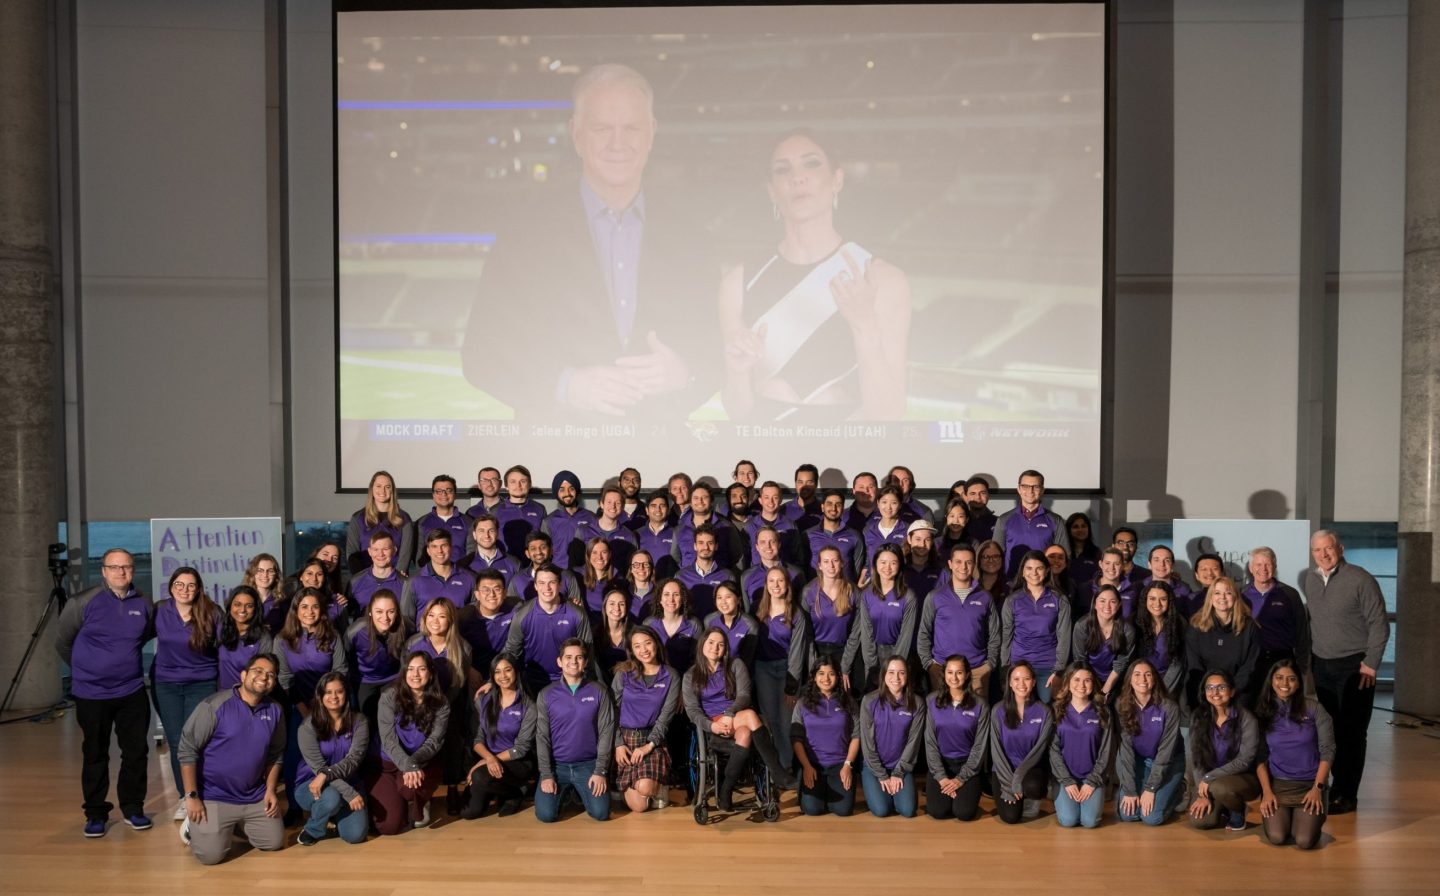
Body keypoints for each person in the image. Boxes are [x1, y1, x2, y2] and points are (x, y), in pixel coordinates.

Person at [461, 63, 716, 419]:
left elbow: (716, 353)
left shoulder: (692, 237)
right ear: (576, 134)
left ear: (651, 134)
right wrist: (565, 386)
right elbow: (480, 355)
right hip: (555, 460)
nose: (618, 143)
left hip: (658, 462)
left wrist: (685, 374)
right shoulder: (525, 232)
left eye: (631, 128)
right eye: (601, 128)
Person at [719, 128, 910, 421]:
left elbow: (889, 416)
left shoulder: (882, 280)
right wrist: (737, 372)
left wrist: (864, 324)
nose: (797, 177)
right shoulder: (738, 283)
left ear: (837, 180)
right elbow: (737, 413)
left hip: (846, 460)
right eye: (782, 170)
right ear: (771, 191)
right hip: (767, 457)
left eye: (811, 164)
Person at [54, 548, 157, 837]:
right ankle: (96, 813)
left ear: (133, 570)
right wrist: (88, 669)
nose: (121, 572)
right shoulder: (82, 602)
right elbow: (63, 642)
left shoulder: (145, 603)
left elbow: (143, 636)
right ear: (103, 571)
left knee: (136, 751)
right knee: (95, 753)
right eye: (114, 567)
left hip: (132, 690)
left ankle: (133, 808)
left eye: (126, 567)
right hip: (91, 694)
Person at [1299, 529, 1388, 816]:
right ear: (1312, 553)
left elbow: (1379, 624)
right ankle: (1335, 787)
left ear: (1340, 548)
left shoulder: (1361, 579)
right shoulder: (1310, 580)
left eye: (1328, 549)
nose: (1323, 555)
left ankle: (1348, 794)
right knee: (1329, 731)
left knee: (1352, 733)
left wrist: (1371, 663)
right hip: (1323, 666)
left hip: (1356, 667)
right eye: (1317, 550)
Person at [176, 653, 285, 864]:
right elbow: (187, 749)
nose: (264, 677)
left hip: (253, 795)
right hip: (214, 795)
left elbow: (275, 754)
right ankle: (193, 826)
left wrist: (271, 790)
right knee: (210, 857)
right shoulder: (214, 705)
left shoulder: (275, 711)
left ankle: (232, 825)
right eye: (258, 671)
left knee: (273, 842)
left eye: (271, 675)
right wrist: (191, 796)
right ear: (243, 675)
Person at [682, 627, 794, 810]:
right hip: (714, 725)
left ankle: (726, 789)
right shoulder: (690, 676)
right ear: (702, 644)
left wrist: (730, 713)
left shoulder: (736, 665)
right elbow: (693, 711)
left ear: (726, 648)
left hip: (735, 716)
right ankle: (777, 771)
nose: (715, 648)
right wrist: (712, 726)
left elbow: (744, 696)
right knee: (750, 717)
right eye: (711, 642)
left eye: (721, 644)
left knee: (745, 732)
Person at [150, 566, 222, 821]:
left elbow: (225, 648)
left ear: (198, 588)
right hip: (166, 685)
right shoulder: (159, 611)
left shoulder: (212, 612)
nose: (185, 590)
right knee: (176, 741)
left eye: (190, 585)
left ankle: (204, 792)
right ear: (171, 587)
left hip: (201, 684)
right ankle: (186, 795)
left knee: (197, 741)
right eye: (179, 585)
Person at [275, 588, 349, 825]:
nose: (309, 612)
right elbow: (285, 679)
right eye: (304, 607)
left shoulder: (333, 636)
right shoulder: (282, 640)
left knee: (335, 751)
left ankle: (336, 803)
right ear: (295, 610)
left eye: (315, 606)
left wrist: (327, 707)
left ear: (323, 610)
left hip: (331, 703)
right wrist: (306, 711)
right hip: (298, 705)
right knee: (294, 756)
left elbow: (341, 672)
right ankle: (296, 807)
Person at [1255, 659, 1335, 849]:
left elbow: (1328, 750)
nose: (1284, 684)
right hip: (1278, 786)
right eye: (1279, 678)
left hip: (1310, 785)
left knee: (1304, 841)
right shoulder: (1262, 712)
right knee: (1277, 837)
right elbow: (1259, 757)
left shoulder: (1315, 709)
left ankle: (1309, 817)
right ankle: (1289, 818)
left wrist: (1318, 788)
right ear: (1271, 680)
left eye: (1291, 679)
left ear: (1299, 683)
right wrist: (1266, 792)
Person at [535, 639, 617, 822]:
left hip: (589, 765)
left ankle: (579, 792)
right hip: (558, 766)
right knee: (545, 815)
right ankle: (568, 793)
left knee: (601, 814)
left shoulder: (599, 691)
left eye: (579, 657)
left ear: (586, 662)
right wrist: (546, 774)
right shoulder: (546, 694)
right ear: (559, 661)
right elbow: (542, 737)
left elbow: (606, 732)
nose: (574, 662)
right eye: (568, 657)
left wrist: (600, 771)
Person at [372, 652, 451, 833]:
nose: (415, 675)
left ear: (430, 673)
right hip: (388, 763)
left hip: (421, 762)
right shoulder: (389, 697)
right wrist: (408, 765)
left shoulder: (441, 702)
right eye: (410, 669)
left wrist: (413, 764)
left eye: (421, 669)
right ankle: (398, 799)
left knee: (409, 789)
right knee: (390, 827)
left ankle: (420, 800)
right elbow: (388, 740)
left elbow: (434, 742)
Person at [293, 672, 369, 846]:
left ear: (346, 694)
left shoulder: (360, 722)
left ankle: (334, 815)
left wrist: (327, 775)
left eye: (339, 691)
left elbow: (353, 760)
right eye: (328, 692)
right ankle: (313, 829)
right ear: (320, 696)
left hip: (349, 782)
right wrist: (348, 793)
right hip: (311, 785)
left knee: (355, 835)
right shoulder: (307, 726)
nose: (333, 697)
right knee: (332, 798)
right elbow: (317, 768)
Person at [610, 627, 680, 813]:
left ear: (656, 643)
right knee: (639, 806)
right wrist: (617, 744)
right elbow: (612, 711)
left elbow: (666, 716)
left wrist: (648, 745)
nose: (644, 650)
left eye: (648, 643)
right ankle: (633, 787)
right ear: (632, 651)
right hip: (625, 740)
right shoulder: (623, 673)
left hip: (652, 740)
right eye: (637, 646)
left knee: (644, 790)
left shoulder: (671, 675)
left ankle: (653, 787)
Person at [918, 544, 999, 698]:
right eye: (958, 562)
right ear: (950, 564)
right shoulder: (935, 596)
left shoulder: (985, 597)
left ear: (974, 565)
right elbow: (924, 633)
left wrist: (989, 666)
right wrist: (929, 664)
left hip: (976, 671)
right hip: (943, 670)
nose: (963, 566)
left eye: (968, 562)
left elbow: (994, 635)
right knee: (942, 717)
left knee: (975, 718)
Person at [463, 653, 537, 819]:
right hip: (489, 761)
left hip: (517, 762)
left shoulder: (529, 706)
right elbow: (477, 740)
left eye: (507, 670)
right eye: (497, 672)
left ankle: (514, 793)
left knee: (480, 776)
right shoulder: (483, 701)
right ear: (492, 676)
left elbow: (521, 748)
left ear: (516, 672)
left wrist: (486, 761)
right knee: (468, 812)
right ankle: (495, 790)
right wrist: (488, 758)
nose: (503, 676)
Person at [754, 567, 811, 777]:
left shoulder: (797, 614)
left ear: (787, 585)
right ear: (766, 585)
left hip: (787, 671)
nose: (776, 585)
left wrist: (792, 685)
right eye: (772, 581)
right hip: (763, 670)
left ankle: (789, 767)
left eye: (780, 581)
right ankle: (776, 768)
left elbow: (797, 653)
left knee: (787, 721)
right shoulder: (757, 611)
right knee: (772, 720)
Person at [1186, 669, 1260, 831]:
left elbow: (1244, 760)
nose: (1215, 692)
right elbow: (1196, 758)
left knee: (1220, 788)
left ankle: (1237, 809)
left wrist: (1209, 777)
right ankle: (1224, 804)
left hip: (1242, 778)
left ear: (1232, 691)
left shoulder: (1247, 718)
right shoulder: (1198, 716)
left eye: (1221, 687)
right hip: (1211, 781)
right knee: (1201, 822)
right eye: (1210, 688)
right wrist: (1201, 794)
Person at [1114, 659, 1185, 826]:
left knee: (1152, 818)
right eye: (1137, 675)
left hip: (1167, 763)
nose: (1143, 680)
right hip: (1137, 760)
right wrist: (1131, 791)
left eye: (1148, 675)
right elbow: (1126, 750)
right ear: (1130, 680)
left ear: (1155, 679)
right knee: (1128, 815)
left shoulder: (1169, 707)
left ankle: (1178, 790)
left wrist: (1151, 789)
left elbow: (1166, 753)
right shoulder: (1121, 705)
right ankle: (1129, 790)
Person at [505, 565, 594, 695]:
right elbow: (511, 651)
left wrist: (588, 682)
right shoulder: (522, 616)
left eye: (552, 582)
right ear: (535, 585)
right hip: (533, 681)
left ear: (560, 584)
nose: (546, 588)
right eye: (541, 583)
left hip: (569, 680)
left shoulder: (577, 614)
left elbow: (588, 650)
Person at [923, 655, 990, 821]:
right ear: (944, 674)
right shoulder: (931, 701)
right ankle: (949, 794)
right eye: (950, 672)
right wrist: (941, 777)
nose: (954, 677)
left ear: (967, 674)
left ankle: (963, 795)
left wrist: (961, 779)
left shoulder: (980, 704)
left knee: (964, 813)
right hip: (941, 764)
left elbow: (979, 746)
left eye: (959, 672)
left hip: (967, 766)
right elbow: (930, 743)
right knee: (938, 812)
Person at [857, 656, 925, 818]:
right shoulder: (869, 701)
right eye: (891, 672)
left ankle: (894, 793)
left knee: (908, 811)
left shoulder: (917, 703)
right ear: (883, 675)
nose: (896, 678)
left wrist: (898, 773)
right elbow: (868, 744)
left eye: (901, 673)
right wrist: (881, 775)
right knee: (882, 810)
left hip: (900, 765)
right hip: (873, 766)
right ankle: (880, 791)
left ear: (907, 676)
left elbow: (913, 743)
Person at [791, 658, 860, 817]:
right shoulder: (802, 703)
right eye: (821, 673)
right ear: (814, 677)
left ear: (838, 677)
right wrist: (807, 766)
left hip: (840, 765)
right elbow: (796, 739)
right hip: (813, 765)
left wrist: (848, 765)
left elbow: (857, 735)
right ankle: (812, 787)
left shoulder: (848, 702)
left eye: (831, 674)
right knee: (812, 810)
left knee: (843, 811)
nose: (826, 679)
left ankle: (828, 791)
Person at [1243, 546, 1312, 703]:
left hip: (1282, 659)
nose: (1263, 569)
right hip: (1252, 661)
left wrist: (1302, 667)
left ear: (1274, 566)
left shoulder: (1289, 594)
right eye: (1258, 564)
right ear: (1250, 568)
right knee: (1254, 705)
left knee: (1282, 707)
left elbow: (1302, 632)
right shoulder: (1242, 594)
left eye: (1268, 564)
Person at [1048, 663, 1114, 829]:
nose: (1081, 685)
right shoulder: (1056, 710)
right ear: (1068, 682)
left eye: (1087, 680)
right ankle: (1061, 794)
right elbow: (1053, 751)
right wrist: (1067, 781)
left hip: (1092, 776)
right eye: (1076, 679)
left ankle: (1093, 794)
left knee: (1090, 822)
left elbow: (1106, 752)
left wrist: (1092, 782)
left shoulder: (1103, 711)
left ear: (1093, 684)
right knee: (1069, 820)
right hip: (1065, 777)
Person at [1000, 550, 1072, 703]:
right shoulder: (1012, 600)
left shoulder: (1059, 599)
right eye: (1029, 568)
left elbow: (1064, 637)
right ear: (1023, 572)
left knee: (1045, 712)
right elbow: (1006, 636)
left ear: (1046, 571)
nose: (1034, 573)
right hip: (1018, 666)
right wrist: (1005, 668)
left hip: (1048, 667)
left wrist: (1059, 670)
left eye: (1039, 568)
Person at [990, 661, 1055, 824]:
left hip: (1030, 770)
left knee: (1034, 787)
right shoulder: (998, 710)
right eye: (1016, 679)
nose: (1021, 684)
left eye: (1026, 679)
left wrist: (1018, 780)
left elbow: (1038, 751)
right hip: (1004, 770)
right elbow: (996, 751)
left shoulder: (1044, 712)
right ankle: (1017, 793)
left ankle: (1028, 796)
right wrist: (1008, 785)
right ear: (1010, 683)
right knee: (1010, 817)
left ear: (1033, 682)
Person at [1185, 577, 1260, 708]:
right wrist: (1212, 693)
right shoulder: (1195, 626)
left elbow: (1250, 667)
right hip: (1204, 698)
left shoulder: (1249, 627)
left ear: (1236, 597)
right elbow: (1194, 666)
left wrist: (1230, 692)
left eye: (1228, 593)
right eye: (1217, 593)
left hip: (1239, 696)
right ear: (1210, 597)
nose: (1223, 597)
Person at [854, 544, 917, 689]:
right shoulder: (866, 595)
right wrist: (871, 666)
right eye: (883, 562)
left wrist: (895, 667)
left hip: (898, 654)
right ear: (875, 564)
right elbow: (866, 632)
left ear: (900, 565)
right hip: (873, 655)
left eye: (893, 563)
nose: (887, 567)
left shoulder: (908, 597)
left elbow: (905, 636)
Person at [803, 546, 861, 692]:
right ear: (819, 566)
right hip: (817, 651)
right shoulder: (809, 592)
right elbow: (806, 634)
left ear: (842, 563)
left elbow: (856, 632)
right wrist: (813, 668)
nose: (831, 565)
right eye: (826, 561)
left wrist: (845, 667)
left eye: (835, 560)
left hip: (844, 651)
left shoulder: (852, 591)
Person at [345, 589, 407, 725]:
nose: (385, 618)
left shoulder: (404, 628)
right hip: (365, 680)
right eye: (379, 611)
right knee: (367, 720)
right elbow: (346, 657)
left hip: (392, 679)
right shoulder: (356, 631)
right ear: (370, 612)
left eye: (391, 611)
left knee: (391, 719)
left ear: (397, 612)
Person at [994, 470, 1069, 577]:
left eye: (1036, 487)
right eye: (1025, 486)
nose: (1030, 491)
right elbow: (996, 555)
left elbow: (1064, 556)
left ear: (1042, 490)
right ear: (1019, 489)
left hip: (1045, 583)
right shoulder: (1004, 520)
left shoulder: (1056, 520)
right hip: (1011, 584)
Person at [1071, 584, 1135, 699]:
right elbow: (1080, 660)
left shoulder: (1127, 630)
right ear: (1095, 604)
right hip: (1087, 678)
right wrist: (1090, 685)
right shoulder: (1082, 626)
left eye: (1113, 602)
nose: (1107, 606)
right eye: (1102, 601)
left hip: (1115, 679)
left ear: (1119, 605)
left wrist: (1105, 690)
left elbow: (1121, 663)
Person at [400, 528, 475, 626]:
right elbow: (407, 620)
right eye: (434, 546)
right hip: (423, 639)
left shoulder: (469, 578)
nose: (439, 551)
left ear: (451, 548)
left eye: (444, 546)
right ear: (428, 551)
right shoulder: (413, 581)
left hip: (458, 638)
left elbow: (474, 615)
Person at [345, 470, 414, 574]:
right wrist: (363, 579)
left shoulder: (404, 518)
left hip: (396, 579)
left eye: (387, 487)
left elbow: (406, 554)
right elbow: (352, 553)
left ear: (392, 491)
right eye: (378, 486)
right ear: (371, 489)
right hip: (365, 580)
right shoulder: (358, 518)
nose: (383, 490)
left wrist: (396, 578)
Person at [1135, 581, 1188, 698]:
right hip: (1139, 683)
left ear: (1170, 601)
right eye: (1152, 598)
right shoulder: (1135, 623)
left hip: (1169, 686)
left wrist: (1162, 691)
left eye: (1163, 599)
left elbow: (1178, 662)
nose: (1157, 603)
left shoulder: (1180, 623)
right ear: (1145, 600)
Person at [218, 586, 274, 690]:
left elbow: (266, 672)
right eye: (237, 604)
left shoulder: (263, 637)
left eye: (249, 606)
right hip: (223, 696)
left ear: (256, 609)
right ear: (230, 606)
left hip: (250, 697)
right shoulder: (221, 629)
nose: (242, 610)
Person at [542, 470, 598, 570]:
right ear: (556, 493)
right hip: (558, 574)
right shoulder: (549, 521)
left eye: (571, 489)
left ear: (577, 490)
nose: (567, 493)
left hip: (586, 574)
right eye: (562, 489)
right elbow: (545, 553)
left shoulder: (591, 518)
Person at [804, 488, 864, 579]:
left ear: (843, 508)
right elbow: (803, 565)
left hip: (845, 590)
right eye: (829, 504)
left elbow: (857, 569)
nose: (833, 508)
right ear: (822, 507)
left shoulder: (854, 536)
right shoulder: (808, 535)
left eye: (838, 504)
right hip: (816, 590)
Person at [346, 532, 405, 619]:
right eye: (376, 549)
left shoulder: (405, 584)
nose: (380, 554)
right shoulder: (355, 581)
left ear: (394, 550)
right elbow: (347, 612)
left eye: (385, 549)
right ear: (369, 551)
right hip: (364, 632)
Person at [704, 581, 760, 669]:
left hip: (738, 672)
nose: (723, 602)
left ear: (738, 599)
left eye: (728, 597)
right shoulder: (709, 621)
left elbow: (747, 660)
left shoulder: (750, 625)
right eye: (719, 598)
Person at [493, 464, 547, 557]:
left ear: (529, 484)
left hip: (533, 562)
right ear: (506, 486)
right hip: (505, 564)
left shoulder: (539, 509)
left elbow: (545, 539)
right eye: (513, 482)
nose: (518, 485)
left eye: (523, 481)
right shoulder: (496, 510)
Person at [415, 474, 470, 562]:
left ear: (455, 494)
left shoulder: (468, 522)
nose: (444, 494)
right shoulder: (422, 523)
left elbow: (472, 554)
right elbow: (419, 557)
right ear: (433, 495)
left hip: (461, 573)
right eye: (439, 491)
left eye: (448, 490)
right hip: (430, 575)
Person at [459, 512, 521, 588]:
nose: (486, 535)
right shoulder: (464, 564)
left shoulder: (514, 563)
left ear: (497, 534)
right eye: (481, 531)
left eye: (491, 531)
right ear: (474, 535)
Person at [860, 485, 908, 567]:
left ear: (900, 505)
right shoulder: (868, 530)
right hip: (872, 578)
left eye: (894, 503)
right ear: (878, 503)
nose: (888, 507)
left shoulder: (907, 529)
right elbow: (866, 562)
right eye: (884, 502)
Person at [1141, 545, 1195, 618]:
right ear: (1149, 564)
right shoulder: (1140, 587)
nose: (1162, 564)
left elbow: (1191, 616)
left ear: (1172, 565)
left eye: (1167, 560)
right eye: (1157, 560)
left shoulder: (1184, 589)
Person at [594, 586, 632, 680]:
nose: (617, 608)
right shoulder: (594, 633)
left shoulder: (634, 633)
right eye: (612, 603)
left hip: (628, 684)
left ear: (626, 608)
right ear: (604, 606)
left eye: (621, 604)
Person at [1063, 511, 1101, 586]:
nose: (1080, 529)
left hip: (1089, 594)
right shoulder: (1063, 552)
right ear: (1068, 530)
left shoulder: (1097, 553)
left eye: (1083, 526)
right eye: (1075, 527)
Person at [961, 476, 996, 544]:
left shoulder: (998, 522)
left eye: (982, 493)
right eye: (973, 493)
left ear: (988, 495)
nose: (978, 497)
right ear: (965, 497)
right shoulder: (959, 522)